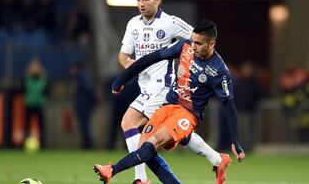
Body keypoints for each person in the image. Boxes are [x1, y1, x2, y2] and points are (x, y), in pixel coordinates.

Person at [94, 19, 246, 184]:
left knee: (152, 143)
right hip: (167, 107)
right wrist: (122, 78)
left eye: (198, 43)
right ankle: (216, 160)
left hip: (187, 116)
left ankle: (111, 170)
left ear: (211, 44)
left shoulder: (219, 71)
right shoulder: (184, 46)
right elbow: (151, 58)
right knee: (145, 151)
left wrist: (234, 141)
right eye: (192, 41)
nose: (193, 46)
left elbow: (228, 105)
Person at [117, 0, 225, 183]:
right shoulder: (133, 24)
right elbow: (123, 55)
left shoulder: (170, 22)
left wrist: (200, 71)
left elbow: (197, 40)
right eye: (138, 0)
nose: (141, 4)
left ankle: (140, 179)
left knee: (134, 126)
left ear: (157, 0)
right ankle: (216, 158)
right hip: (144, 87)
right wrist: (127, 66)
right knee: (175, 134)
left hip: (163, 87)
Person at [69, 61, 97, 149]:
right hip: (83, 105)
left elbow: (89, 91)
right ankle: (87, 142)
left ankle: (88, 143)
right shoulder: (81, 78)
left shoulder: (83, 78)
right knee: (84, 125)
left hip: (84, 105)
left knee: (84, 124)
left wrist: (92, 102)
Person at [24, 59, 48, 148]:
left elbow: (47, 92)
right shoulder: (27, 79)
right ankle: (25, 143)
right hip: (29, 104)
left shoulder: (43, 80)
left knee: (41, 126)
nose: (35, 69)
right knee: (27, 125)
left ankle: (42, 144)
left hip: (39, 105)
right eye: (33, 67)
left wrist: (44, 100)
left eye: (36, 67)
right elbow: (24, 90)